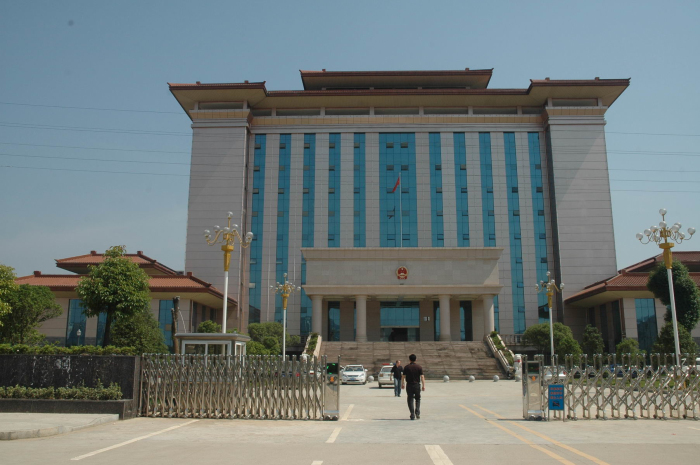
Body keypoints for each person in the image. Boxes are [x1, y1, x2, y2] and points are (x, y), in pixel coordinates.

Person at [401, 353, 425, 420]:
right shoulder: (419, 367)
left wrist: (402, 384)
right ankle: (417, 412)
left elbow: (403, 376)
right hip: (417, 385)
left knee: (410, 399)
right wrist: (423, 385)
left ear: (409, 360)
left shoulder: (406, 367)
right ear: (416, 359)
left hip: (409, 385)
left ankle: (412, 414)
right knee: (418, 399)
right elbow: (422, 377)